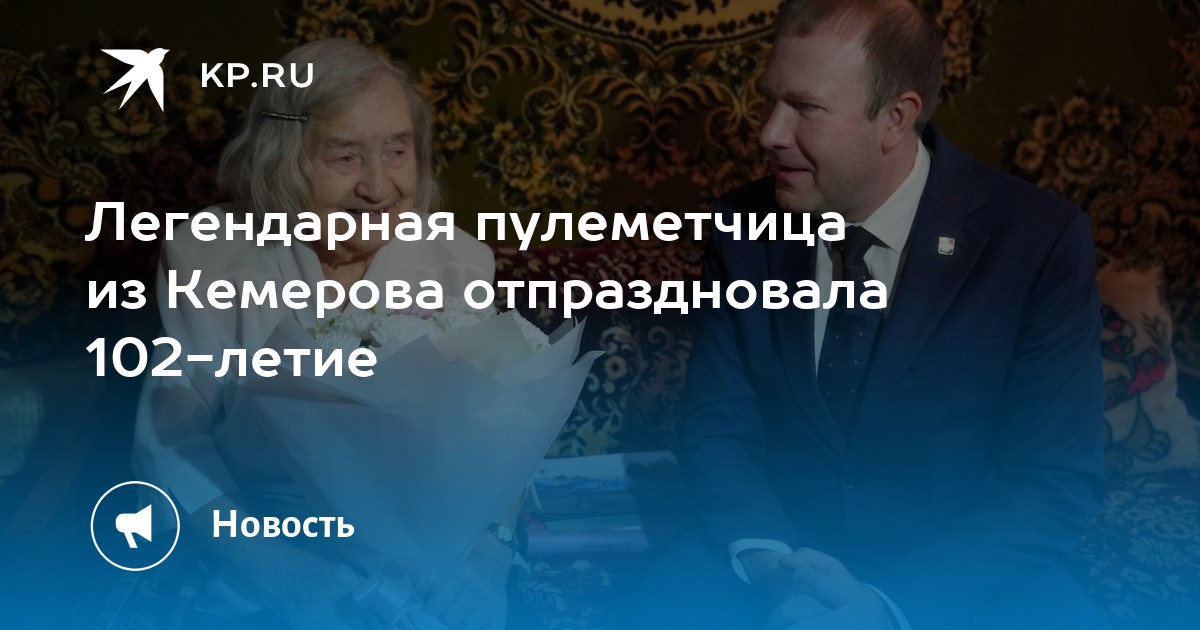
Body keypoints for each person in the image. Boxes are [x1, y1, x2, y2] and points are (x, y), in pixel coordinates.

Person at [639, 1, 1108, 628]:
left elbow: (1053, 481)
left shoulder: (1036, 239)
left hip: (960, 574)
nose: (770, 133)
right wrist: (772, 565)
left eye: (805, 108)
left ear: (895, 118)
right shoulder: (740, 226)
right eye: (769, 100)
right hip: (779, 554)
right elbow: (718, 424)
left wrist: (887, 609)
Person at [133, 38, 515, 630]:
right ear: (282, 160)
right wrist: (275, 568)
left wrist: (491, 553)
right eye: (345, 158)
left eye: (397, 151)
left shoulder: (459, 262)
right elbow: (170, 442)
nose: (379, 187)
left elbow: (500, 435)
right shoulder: (209, 257)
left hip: (427, 560)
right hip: (261, 546)